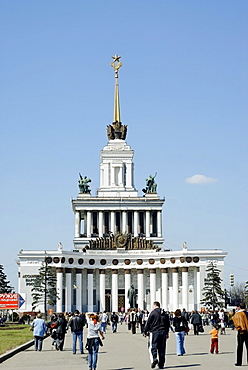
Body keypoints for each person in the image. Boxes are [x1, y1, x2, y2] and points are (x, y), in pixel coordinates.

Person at [143, 301, 170, 369]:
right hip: (163, 332)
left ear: (155, 306)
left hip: (154, 332)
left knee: (153, 347)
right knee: (162, 348)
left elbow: (148, 323)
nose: (152, 307)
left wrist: (145, 332)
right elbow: (167, 324)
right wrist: (167, 333)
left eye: (152, 306)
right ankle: (161, 364)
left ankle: (154, 359)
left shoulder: (153, 313)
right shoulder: (165, 313)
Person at [232, 302, 248, 366]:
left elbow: (234, 322)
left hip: (241, 331)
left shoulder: (237, 314)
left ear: (239, 307)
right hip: (247, 331)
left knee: (240, 347)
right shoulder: (247, 313)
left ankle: (239, 362)